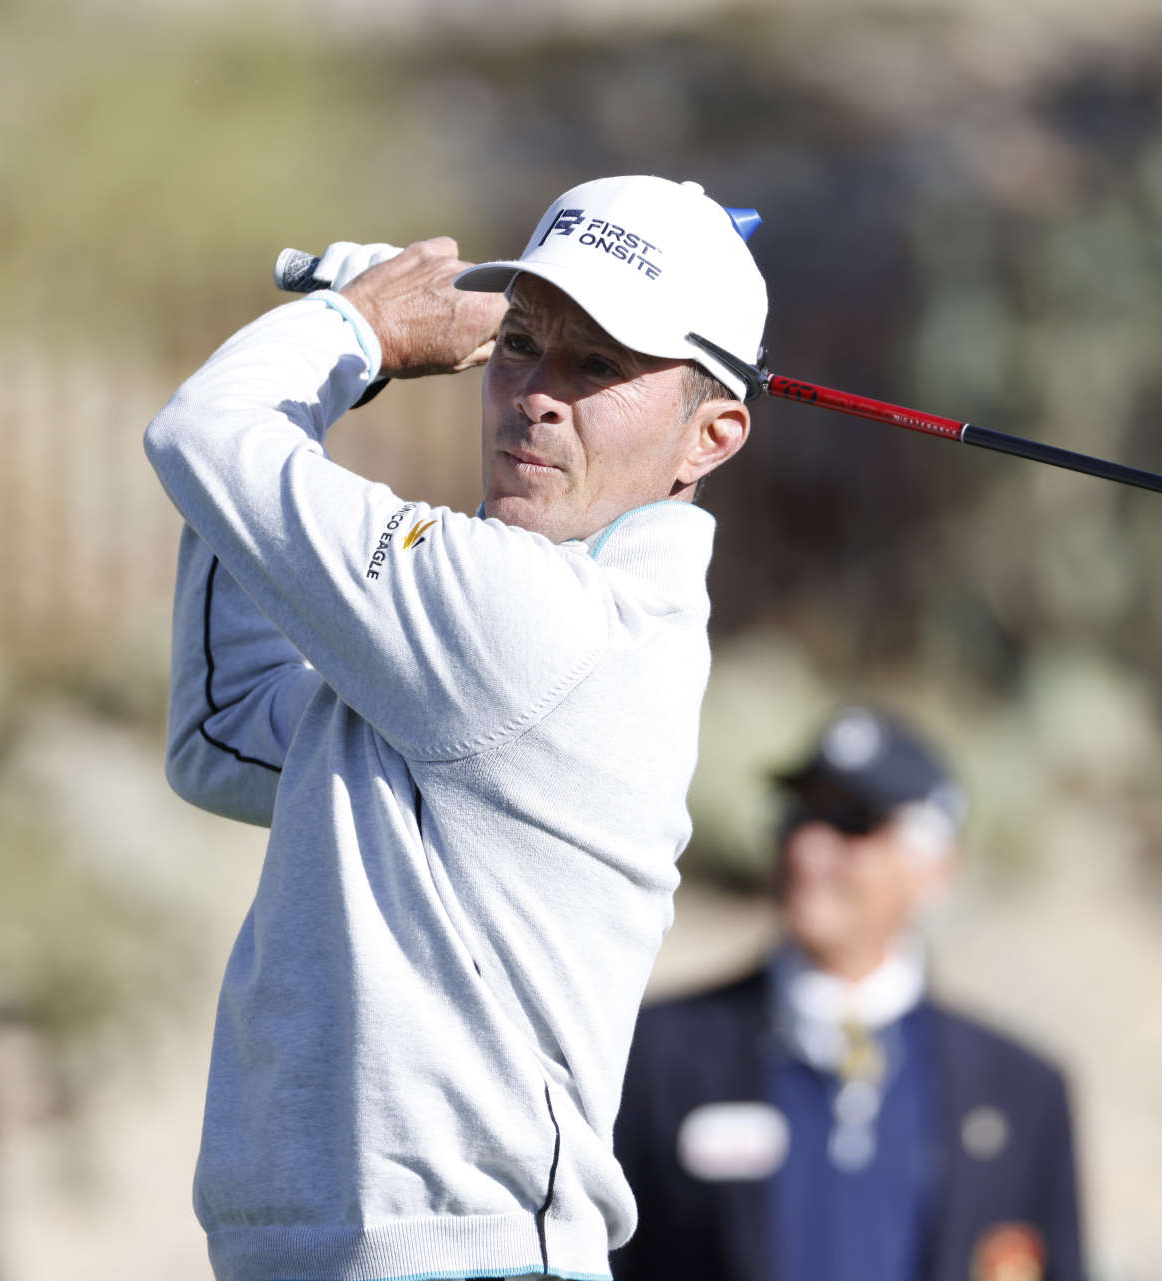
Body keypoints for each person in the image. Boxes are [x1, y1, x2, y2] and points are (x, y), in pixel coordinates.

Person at [143, 174, 767, 1281]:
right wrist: (330, 372)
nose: (535, 394)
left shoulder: (533, 620)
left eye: (600, 366)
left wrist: (353, 334)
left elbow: (205, 432)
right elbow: (229, 731)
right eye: (523, 342)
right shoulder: (482, 640)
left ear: (708, 438)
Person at [613, 708, 1086, 1281]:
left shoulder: (1020, 1093)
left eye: (851, 822)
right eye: (798, 815)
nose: (809, 851)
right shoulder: (655, 1055)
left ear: (933, 867)